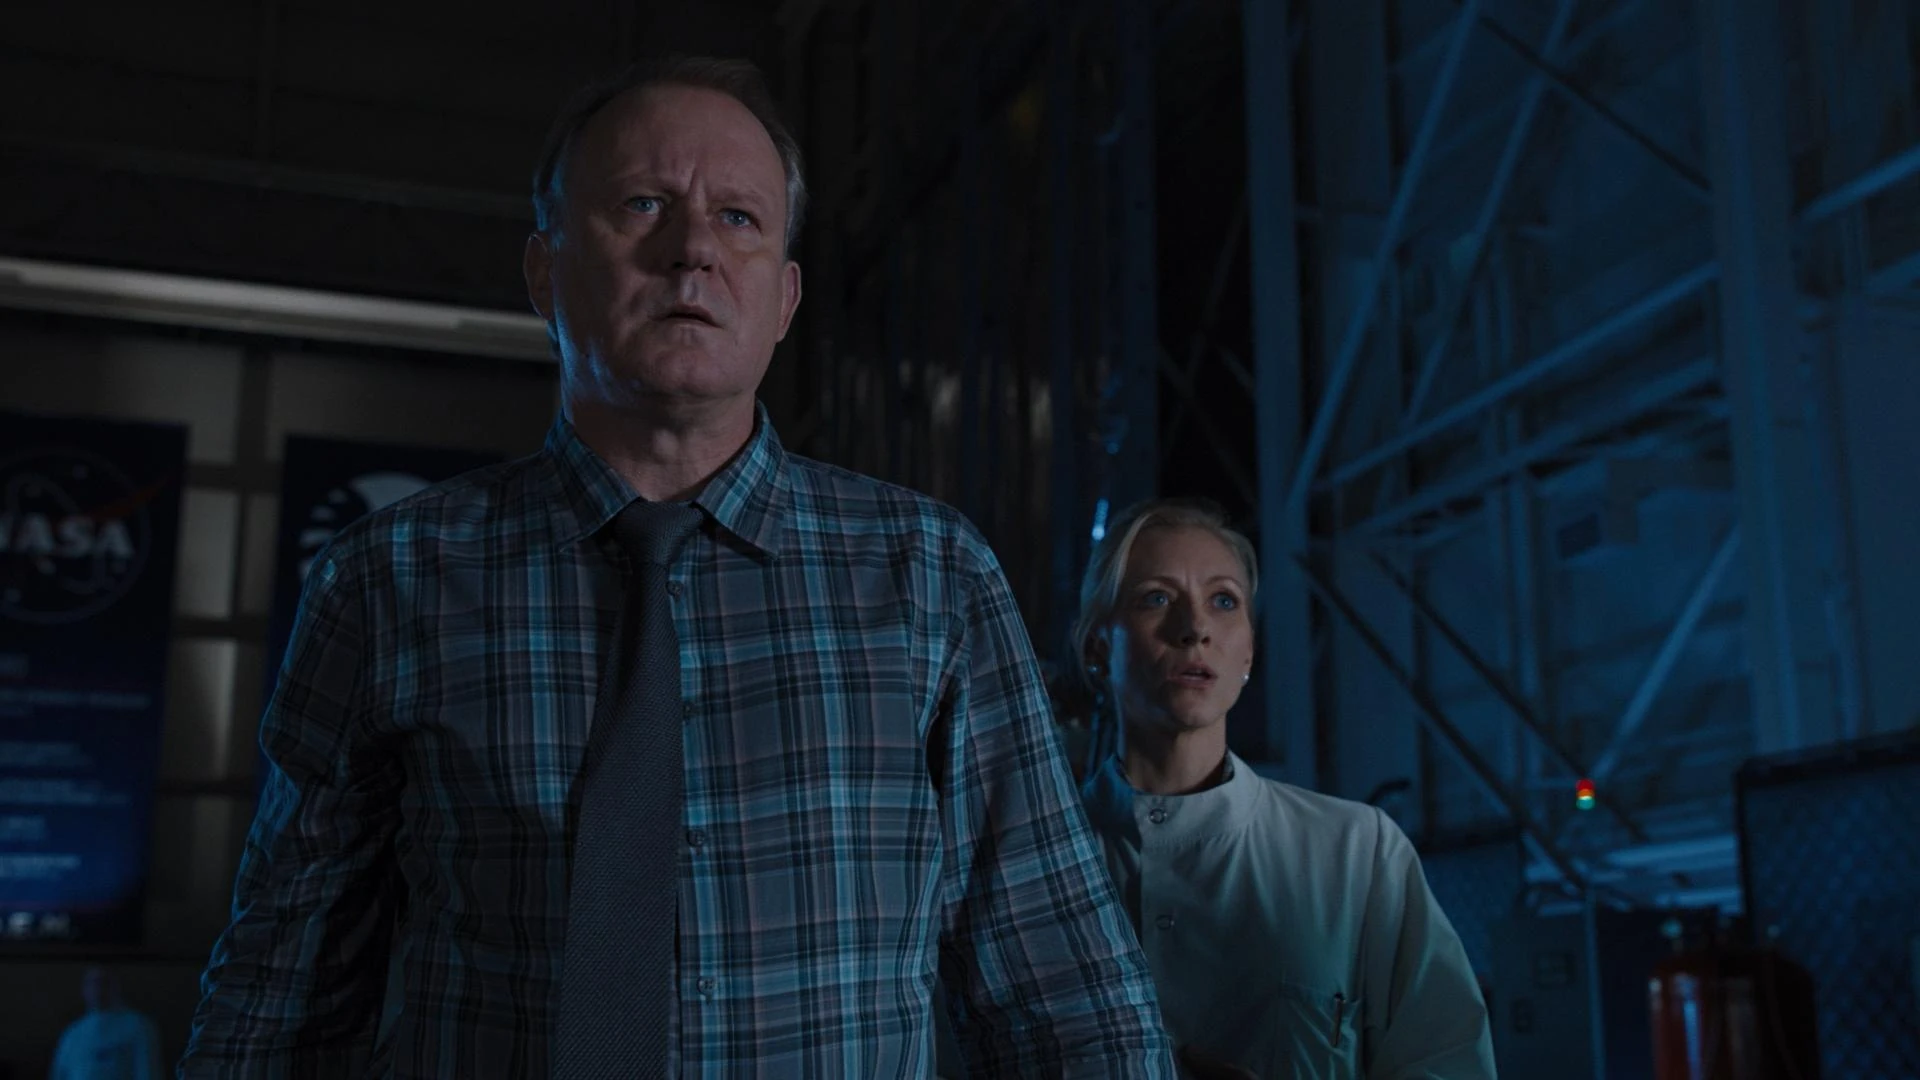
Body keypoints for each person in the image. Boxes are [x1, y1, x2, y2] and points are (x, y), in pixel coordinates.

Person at [180, 56, 1176, 1077]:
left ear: (784, 299)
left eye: (739, 218)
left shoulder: (932, 580)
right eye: (642, 204)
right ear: (544, 271)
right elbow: (281, 998)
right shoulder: (390, 580)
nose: (693, 248)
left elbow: (1068, 995)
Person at [1071, 498, 1496, 1078]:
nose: (1195, 629)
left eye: (1224, 601)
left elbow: (1450, 1062)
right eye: (1156, 598)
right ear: (1098, 649)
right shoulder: (1029, 862)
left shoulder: (1357, 852)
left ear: (1248, 650)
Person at [48, 967, 163, 1080]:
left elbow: (147, 1072)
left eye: (104, 982)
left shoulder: (137, 1026)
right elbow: (59, 1074)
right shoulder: (72, 1033)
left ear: (116, 986)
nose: (98, 989)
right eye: (92, 983)